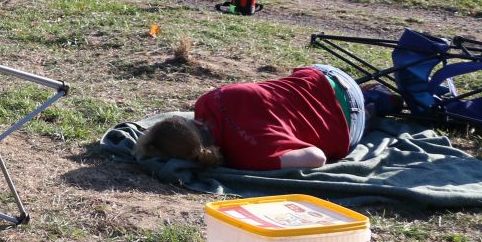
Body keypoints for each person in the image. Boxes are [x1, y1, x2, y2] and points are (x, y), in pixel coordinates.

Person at [132, 66, 395, 171]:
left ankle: (375, 103)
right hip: (322, 74)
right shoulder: (207, 101)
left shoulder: (249, 157)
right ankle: (368, 94)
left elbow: (316, 157)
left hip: (348, 119)